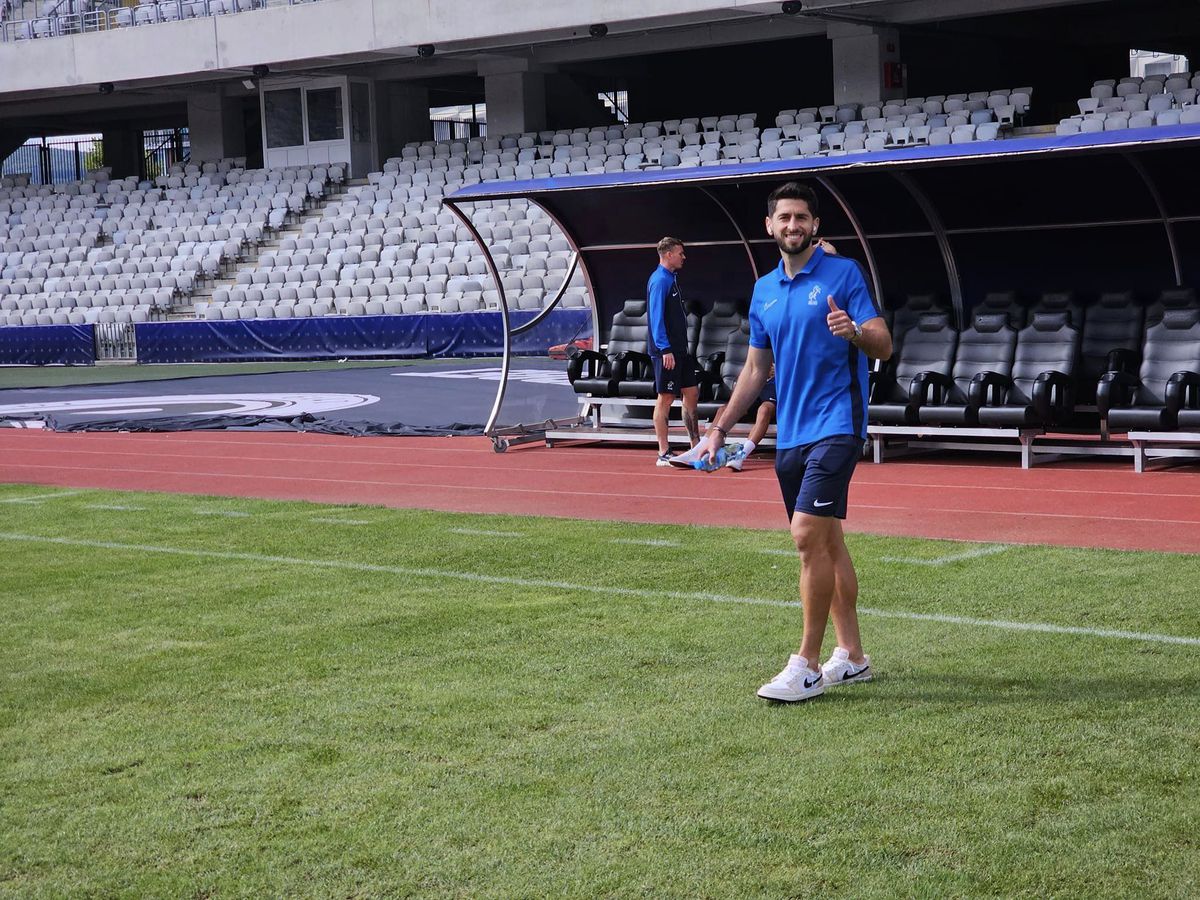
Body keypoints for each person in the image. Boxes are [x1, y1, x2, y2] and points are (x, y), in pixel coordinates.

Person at [700, 181, 892, 702]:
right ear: (770, 226)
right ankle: (852, 657)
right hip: (793, 431)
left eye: (801, 217)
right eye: (784, 217)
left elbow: (884, 344)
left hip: (838, 423)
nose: (793, 225)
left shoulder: (843, 273)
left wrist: (854, 332)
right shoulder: (764, 290)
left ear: (815, 225)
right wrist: (719, 429)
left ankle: (805, 665)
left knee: (806, 535)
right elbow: (755, 371)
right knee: (827, 541)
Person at [646, 236, 699, 466]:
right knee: (666, 397)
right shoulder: (660, 280)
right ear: (669, 255)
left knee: (692, 393)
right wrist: (664, 348)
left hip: (681, 350)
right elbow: (656, 317)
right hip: (666, 352)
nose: (683, 257)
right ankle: (663, 451)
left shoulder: (671, 278)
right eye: (680, 253)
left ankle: (695, 446)